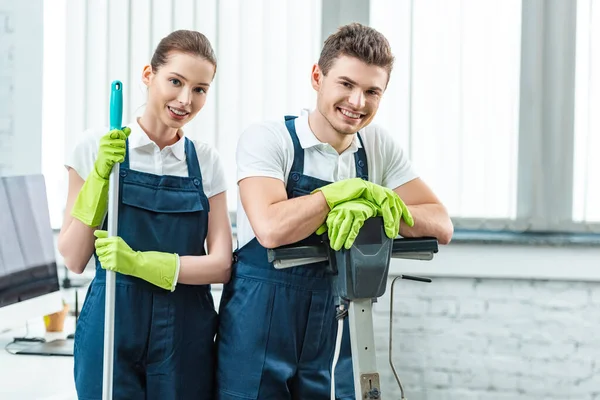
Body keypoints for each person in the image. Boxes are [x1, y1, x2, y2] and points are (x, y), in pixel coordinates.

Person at [216, 23, 454, 400]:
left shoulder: (376, 145)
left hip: (335, 324)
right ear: (317, 77)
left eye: (371, 91)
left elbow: (441, 223)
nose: (357, 102)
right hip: (259, 326)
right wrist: (341, 194)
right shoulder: (269, 139)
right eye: (346, 84)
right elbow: (271, 228)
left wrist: (373, 206)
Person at [58, 30, 232, 400]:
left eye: (200, 89)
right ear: (148, 75)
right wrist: (100, 176)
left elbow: (221, 265)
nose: (186, 99)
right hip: (111, 325)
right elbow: (74, 258)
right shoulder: (96, 146)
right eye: (175, 81)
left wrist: (140, 263)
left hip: (185, 333)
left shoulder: (205, 161)